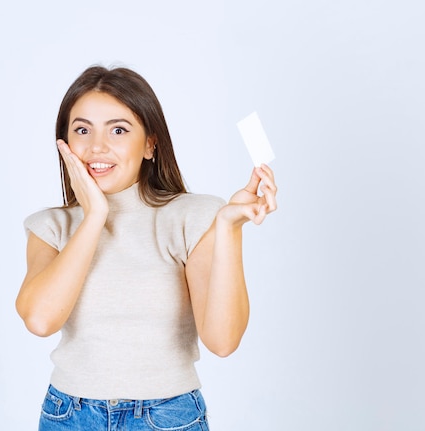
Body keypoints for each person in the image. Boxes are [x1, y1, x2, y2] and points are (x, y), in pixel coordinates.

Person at [16, 65, 277, 431]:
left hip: (167, 418)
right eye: (82, 130)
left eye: (118, 130)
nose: (97, 147)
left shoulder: (194, 215)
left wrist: (229, 227)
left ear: (150, 144)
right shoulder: (50, 227)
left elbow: (223, 340)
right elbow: (40, 320)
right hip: (68, 416)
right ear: (65, 144)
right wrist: (93, 217)